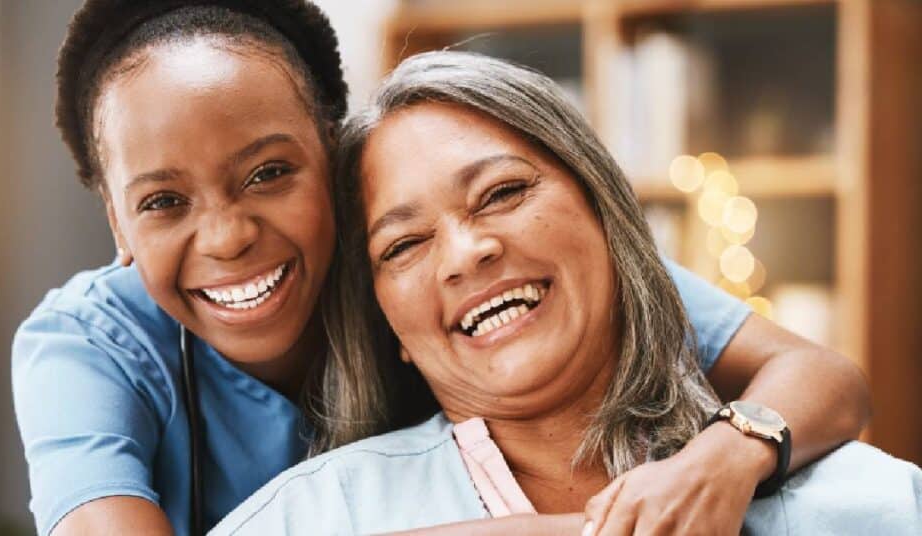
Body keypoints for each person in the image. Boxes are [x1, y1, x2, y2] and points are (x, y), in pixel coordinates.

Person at [13, 2, 869, 534]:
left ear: (333, 160)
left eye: (269, 173)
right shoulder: (89, 345)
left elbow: (819, 376)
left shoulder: (499, 263)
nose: (229, 235)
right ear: (116, 221)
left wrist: (723, 460)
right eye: (163, 201)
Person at [211, 51, 921, 535]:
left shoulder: (866, 503)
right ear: (385, 322)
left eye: (502, 193)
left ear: (607, 215)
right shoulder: (309, 518)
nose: (466, 251)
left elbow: (831, 378)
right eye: (403, 245)